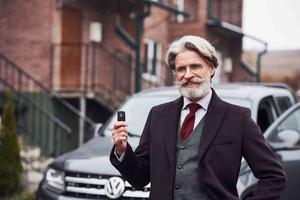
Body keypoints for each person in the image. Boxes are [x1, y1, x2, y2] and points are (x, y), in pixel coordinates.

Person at [110, 35, 286, 200]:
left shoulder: (238, 118)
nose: (187, 75)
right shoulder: (158, 115)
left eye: (195, 66)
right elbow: (140, 177)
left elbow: (273, 177)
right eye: (181, 69)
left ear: (211, 68)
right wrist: (122, 150)